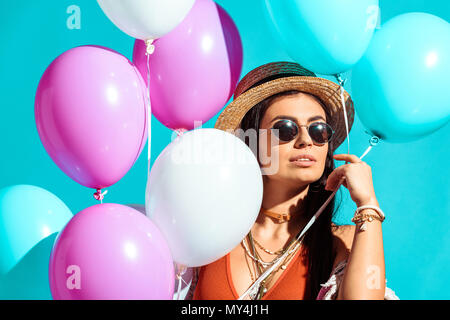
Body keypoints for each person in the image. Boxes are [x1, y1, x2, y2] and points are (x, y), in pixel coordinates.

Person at [186, 62, 398, 300]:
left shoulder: (341, 242)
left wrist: (368, 204)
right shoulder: (205, 232)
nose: (306, 140)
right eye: (285, 129)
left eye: (319, 130)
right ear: (250, 141)